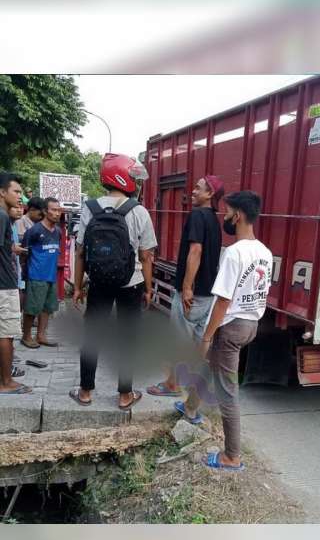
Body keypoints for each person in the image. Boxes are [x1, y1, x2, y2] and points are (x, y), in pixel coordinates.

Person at [175, 190, 272, 472]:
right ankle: (190, 408)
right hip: (251, 325)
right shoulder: (264, 252)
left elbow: (223, 301)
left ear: (238, 216)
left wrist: (207, 337)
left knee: (228, 392)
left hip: (230, 328)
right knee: (210, 364)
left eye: (227, 212)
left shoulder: (234, 253)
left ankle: (232, 456)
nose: (225, 217)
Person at [69, 153, 157, 410]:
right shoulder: (139, 211)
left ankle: (85, 391)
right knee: (128, 338)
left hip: (99, 282)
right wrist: (148, 288)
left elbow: (81, 252)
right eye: (133, 177)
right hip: (132, 283)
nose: (136, 182)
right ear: (123, 178)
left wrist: (77, 287)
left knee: (92, 335)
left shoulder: (90, 208)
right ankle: (125, 395)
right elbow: (146, 256)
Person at [147, 175, 223, 397]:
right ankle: (197, 385)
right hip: (208, 293)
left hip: (193, 293)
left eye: (198, 188)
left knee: (180, 340)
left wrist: (187, 287)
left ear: (210, 194)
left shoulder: (197, 215)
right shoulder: (213, 219)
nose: (193, 191)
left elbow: (196, 250)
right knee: (200, 341)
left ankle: (173, 385)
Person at [0, 172, 31, 394]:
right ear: (2, 192)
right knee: (6, 334)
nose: (20, 196)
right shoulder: (2, 216)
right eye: (16, 191)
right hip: (4, 285)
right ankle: (6, 383)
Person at [20, 197, 62, 348]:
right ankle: (26, 336)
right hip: (36, 275)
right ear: (45, 211)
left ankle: (41, 335)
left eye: (59, 210)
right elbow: (24, 254)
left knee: (47, 308)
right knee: (32, 308)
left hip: (51, 275)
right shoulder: (34, 231)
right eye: (54, 210)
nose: (57, 213)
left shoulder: (58, 231)